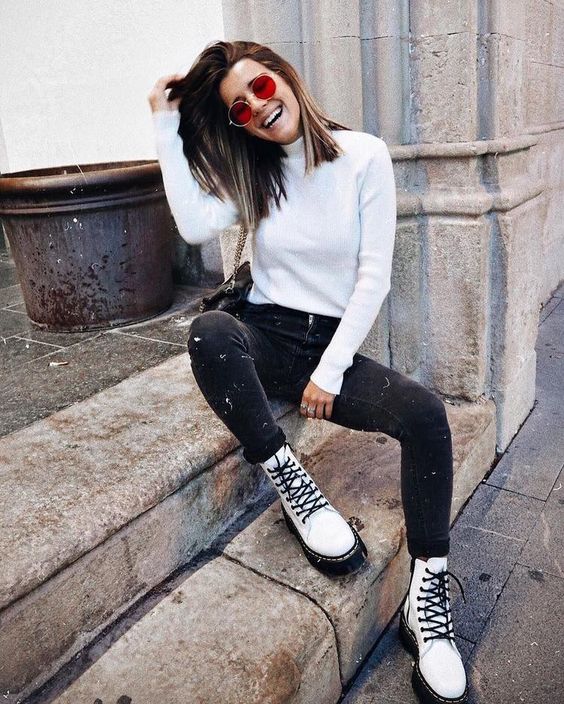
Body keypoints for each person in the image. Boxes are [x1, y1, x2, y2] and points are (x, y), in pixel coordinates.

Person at [148, 40, 468, 704]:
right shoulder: (256, 173)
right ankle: (290, 480)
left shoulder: (364, 156)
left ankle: (427, 596)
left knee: (425, 415)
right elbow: (193, 224)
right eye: (240, 108)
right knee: (210, 333)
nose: (258, 108)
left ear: (285, 77)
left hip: (329, 345)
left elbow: (373, 278)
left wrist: (330, 369)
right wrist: (163, 119)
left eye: (261, 88)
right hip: (266, 334)